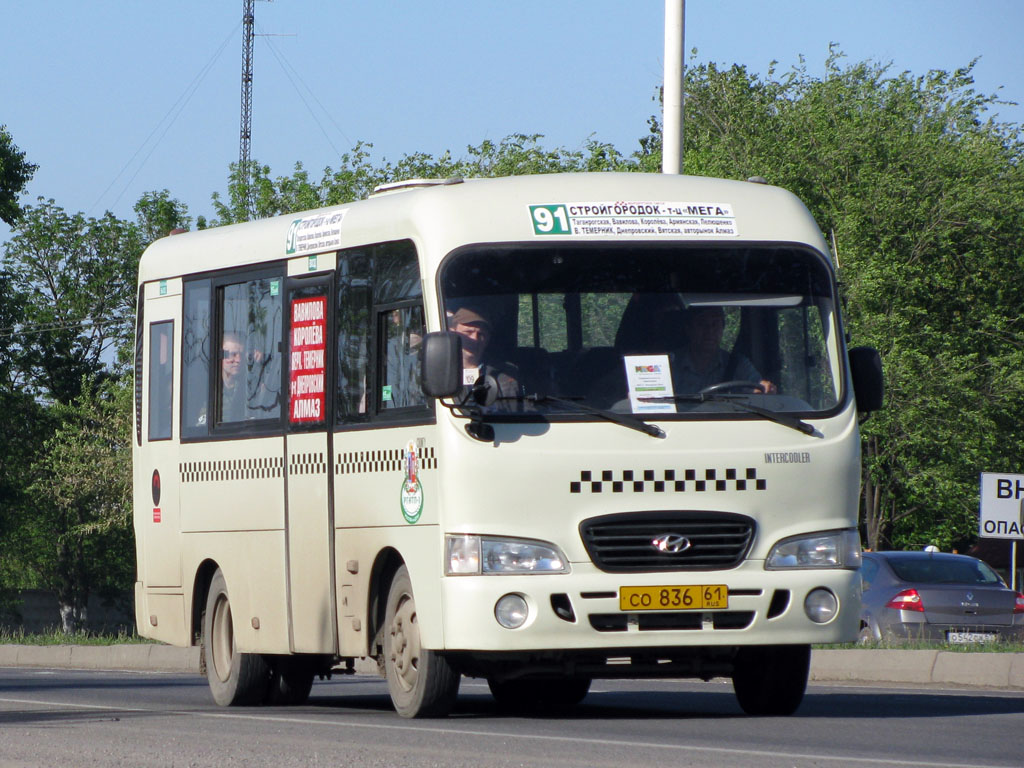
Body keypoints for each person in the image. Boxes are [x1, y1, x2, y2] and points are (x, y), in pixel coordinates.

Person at [674, 306, 776, 394]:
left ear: (722, 328)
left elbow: (758, 385)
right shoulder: (671, 364)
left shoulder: (737, 364)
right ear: (689, 329)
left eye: (715, 324)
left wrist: (765, 388)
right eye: (702, 323)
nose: (710, 331)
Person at [447, 304, 521, 406]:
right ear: (453, 334)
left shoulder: (505, 374)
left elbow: (516, 413)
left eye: (481, 334)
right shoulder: (441, 373)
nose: (474, 339)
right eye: (468, 332)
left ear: (488, 339)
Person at [220, 331, 248, 421]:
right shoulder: (207, 391)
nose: (238, 360)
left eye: (242, 354)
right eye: (233, 354)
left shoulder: (252, 389)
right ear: (221, 355)